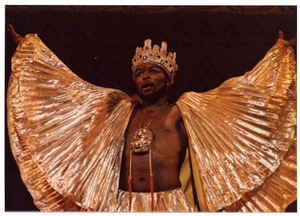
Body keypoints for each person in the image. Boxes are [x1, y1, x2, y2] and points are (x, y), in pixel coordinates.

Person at [7, 25, 296, 212]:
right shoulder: (118, 110)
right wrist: (34, 61)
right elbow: (70, 96)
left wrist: (278, 62)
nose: (146, 75)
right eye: (140, 71)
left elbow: (241, 99)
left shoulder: (181, 110)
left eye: (154, 71)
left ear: (168, 80)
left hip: (170, 204)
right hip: (123, 203)